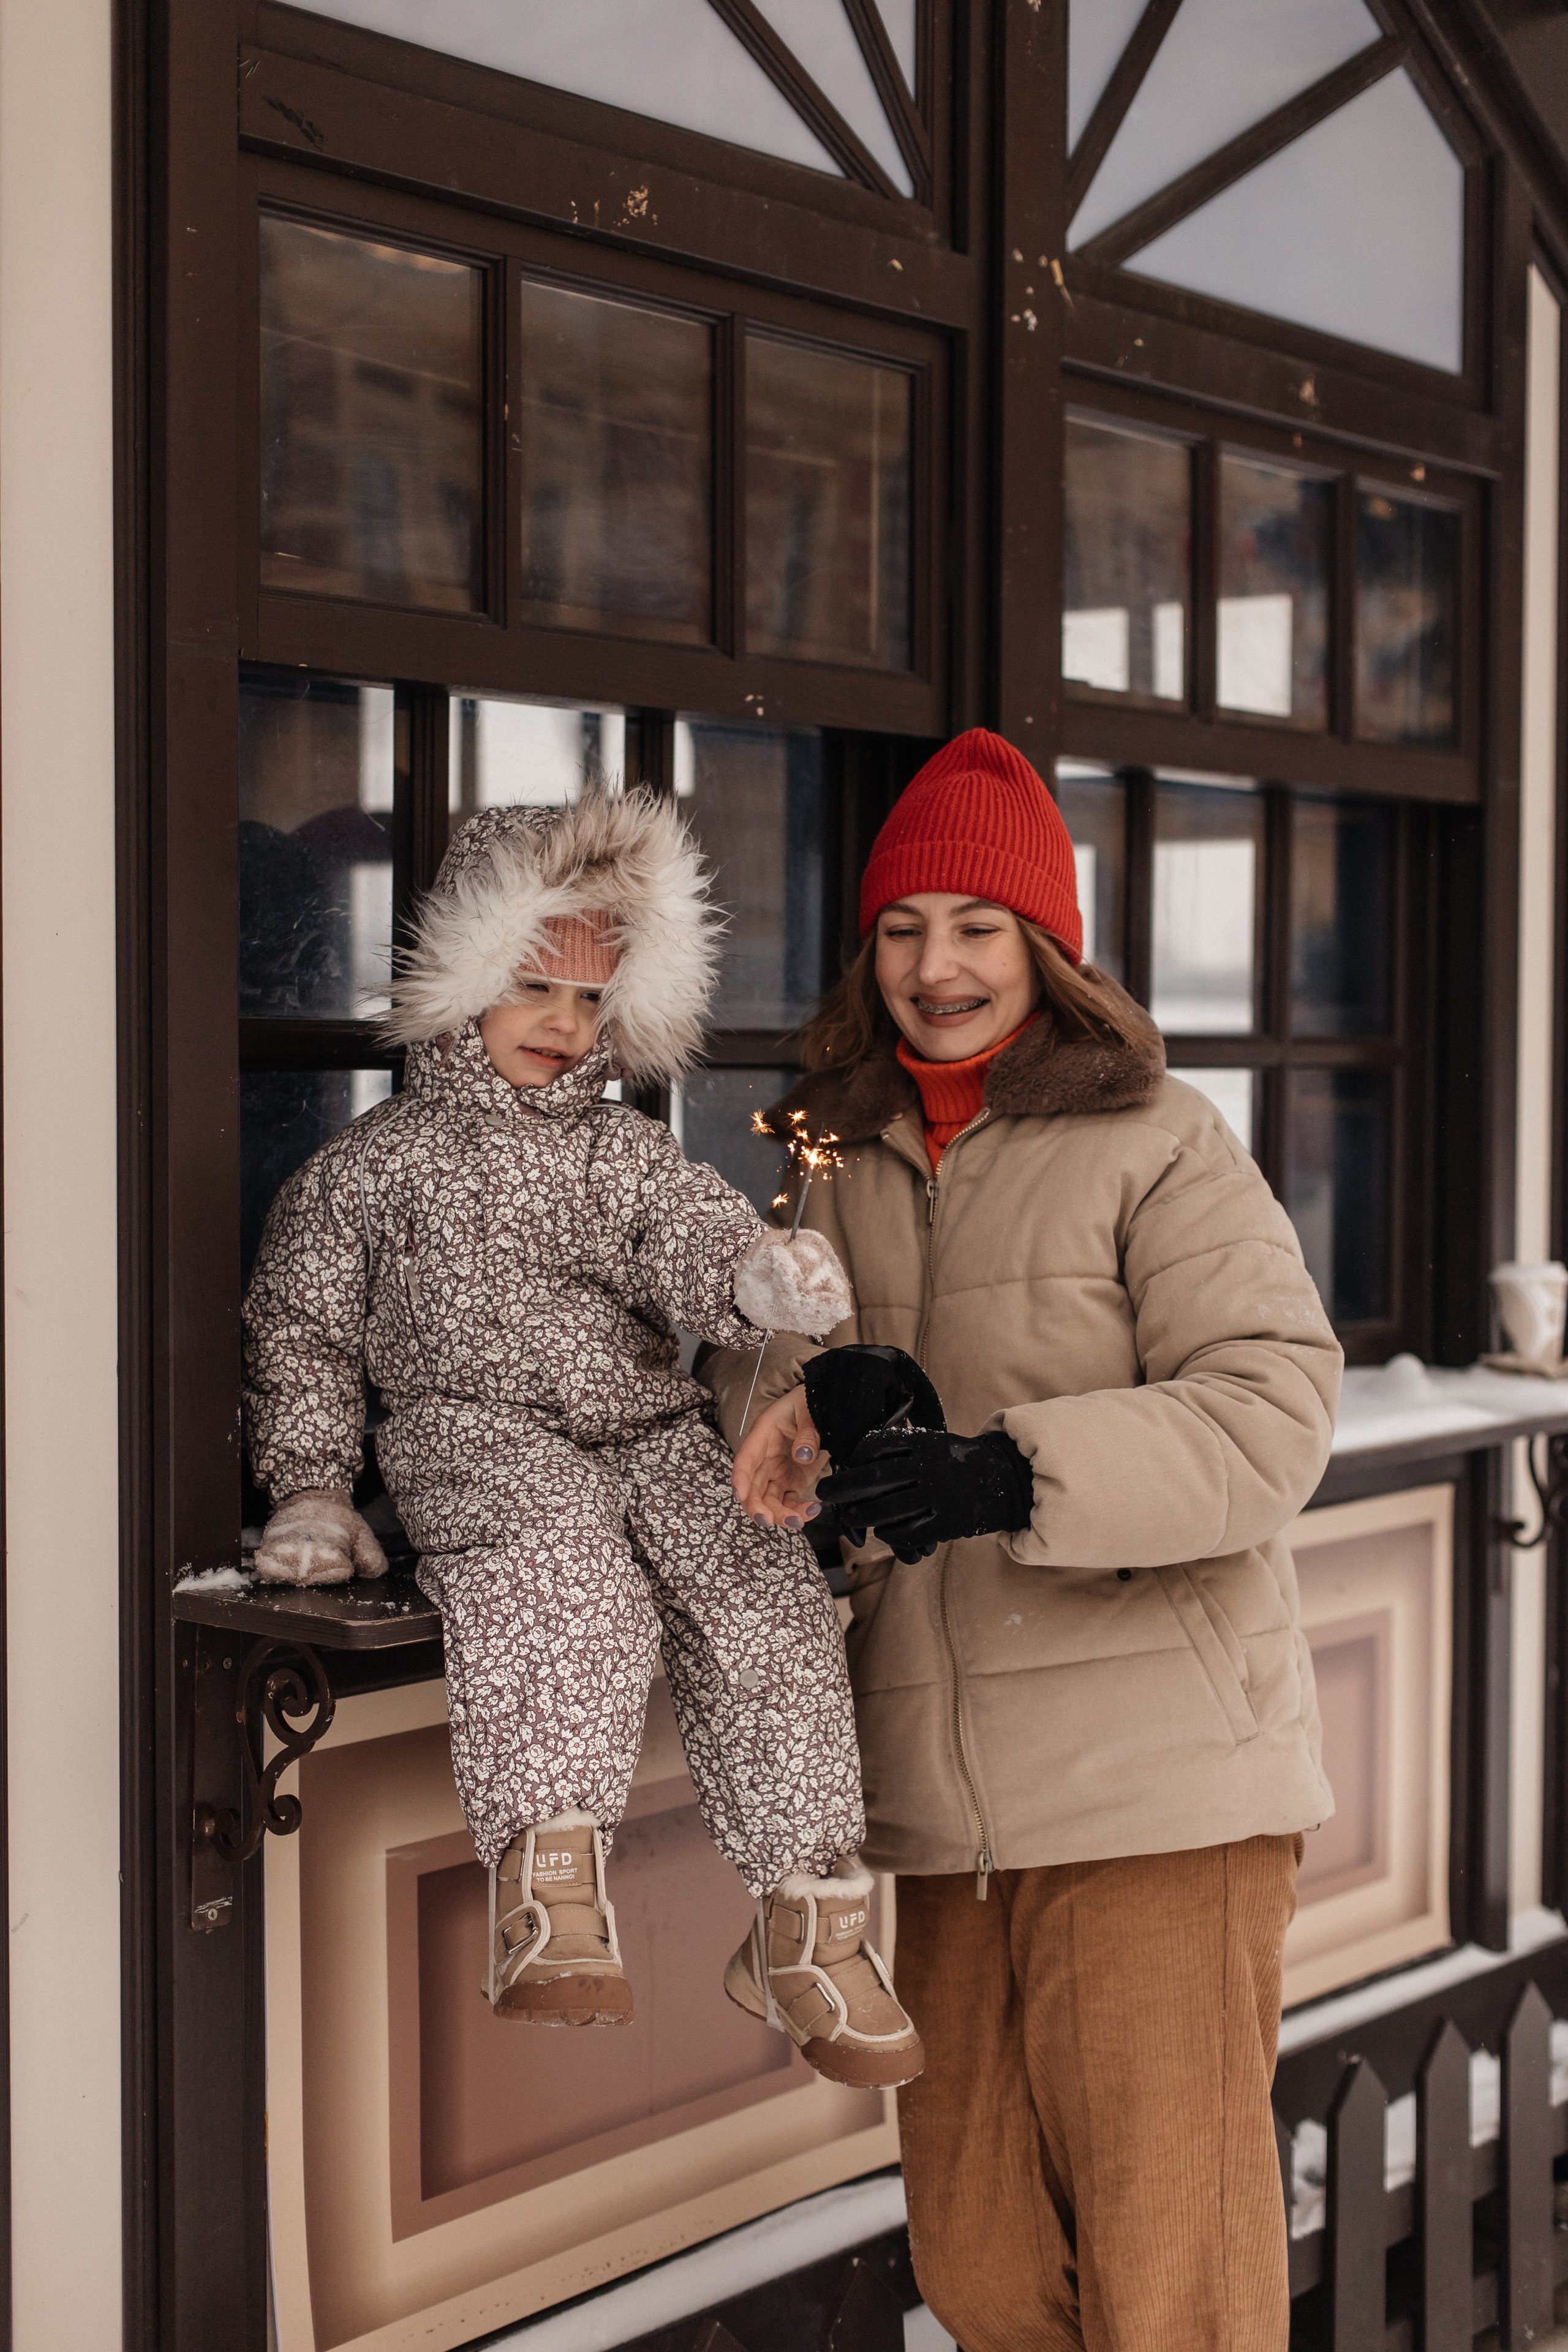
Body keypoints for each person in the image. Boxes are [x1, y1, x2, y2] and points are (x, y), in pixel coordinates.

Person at [700, 729, 1340, 2350]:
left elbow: (1272, 1410)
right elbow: (761, 1425)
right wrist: (808, 1400)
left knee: (1168, 2282)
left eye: (979, 927)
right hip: (944, 1805)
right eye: (905, 927)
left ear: (1046, 949)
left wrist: (1008, 1474)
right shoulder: (824, 1159)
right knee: (983, 2272)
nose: (938, 966)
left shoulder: (1159, 1138)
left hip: (1159, 1787)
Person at [242, 788, 923, 2087]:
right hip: (474, 1440)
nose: (565, 1026)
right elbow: (304, 1334)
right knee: (558, 1590)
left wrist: (753, 1282)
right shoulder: (366, 1172)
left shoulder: (622, 1156)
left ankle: (805, 1916)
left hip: (646, 1426)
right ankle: (547, 1884)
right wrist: (318, 1487)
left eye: (592, 1004)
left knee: (760, 1592)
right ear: (464, 981)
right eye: (535, 990)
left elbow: (688, 1239)